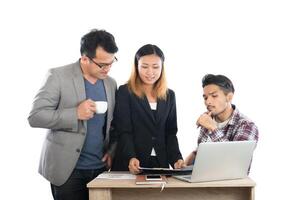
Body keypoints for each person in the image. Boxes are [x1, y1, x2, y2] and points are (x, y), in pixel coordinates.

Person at [28, 29, 118, 200]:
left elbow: (114, 124)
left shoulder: (111, 83)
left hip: (100, 170)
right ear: (85, 59)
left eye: (111, 62)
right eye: (102, 64)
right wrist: (75, 113)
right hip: (67, 171)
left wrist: (112, 151)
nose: (108, 69)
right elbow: (35, 116)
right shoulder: (58, 76)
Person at [110, 44, 185, 174]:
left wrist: (176, 158)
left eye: (156, 67)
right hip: (131, 162)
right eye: (144, 67)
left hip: (160, 163)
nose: (150, 72)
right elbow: (124, 130)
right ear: (136, 66)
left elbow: (170, 133)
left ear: (162, 68)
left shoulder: (169, 95)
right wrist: (130, 156)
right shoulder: (125, 92)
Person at [185, 74, 259, 165]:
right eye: (205, 97)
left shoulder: (247, 126)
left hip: (231, 179)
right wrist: (186, 163)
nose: (208, 101)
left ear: (229, 97)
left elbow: (235, 163)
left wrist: (213, 128)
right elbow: (201, 153)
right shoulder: (208, 119)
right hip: (204, 177)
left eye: (214, 96)